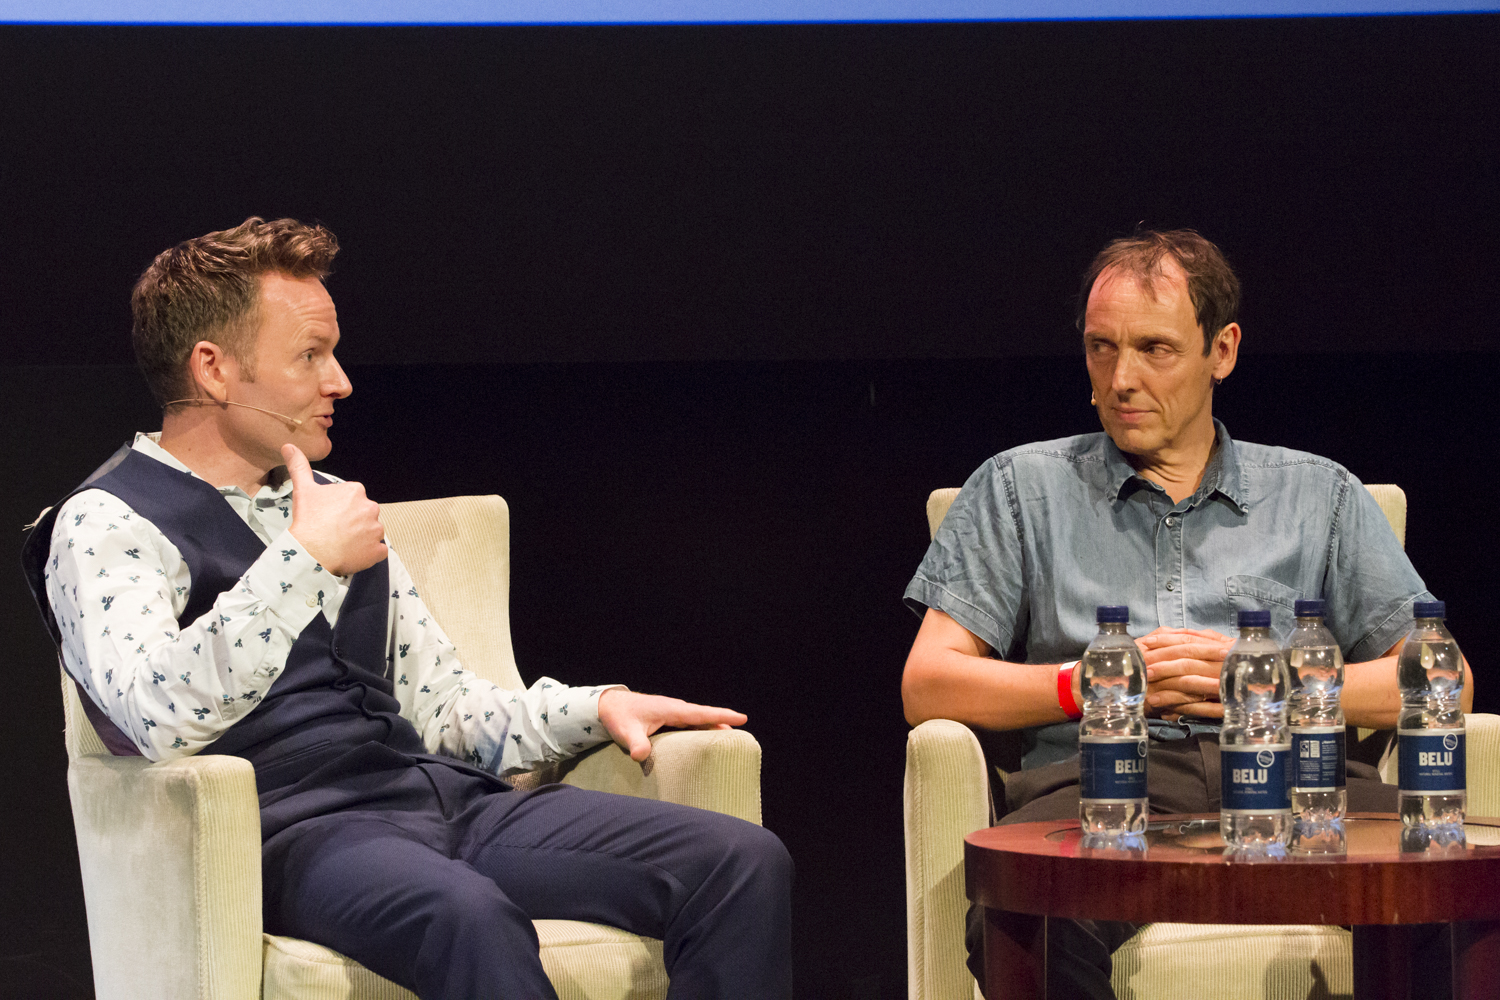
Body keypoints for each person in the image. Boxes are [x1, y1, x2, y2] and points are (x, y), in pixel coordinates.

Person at [23, 217, 793, 1000]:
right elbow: (152, 712)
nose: (341, 381)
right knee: (467, 915)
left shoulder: (332, 506)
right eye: (310, 355)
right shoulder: (107, 520)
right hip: (298, 833)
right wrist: (304, 562)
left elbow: (445, 709)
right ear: (214, 369)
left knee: (740, 862)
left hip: (437, 799)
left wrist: (599, 706)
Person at [900, 229, 1473, 999]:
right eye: (1101, 349)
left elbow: (1450, 684)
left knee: (1448, 900)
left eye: (1155, 349)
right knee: (1030, 915)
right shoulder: (1018, 489)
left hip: (1299, 779)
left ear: (1222, 350)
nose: (1122, 379)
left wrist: (1270, 682)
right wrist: (1085, 686)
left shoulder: (1320, 496)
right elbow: (928, 684)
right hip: (1104, 779)